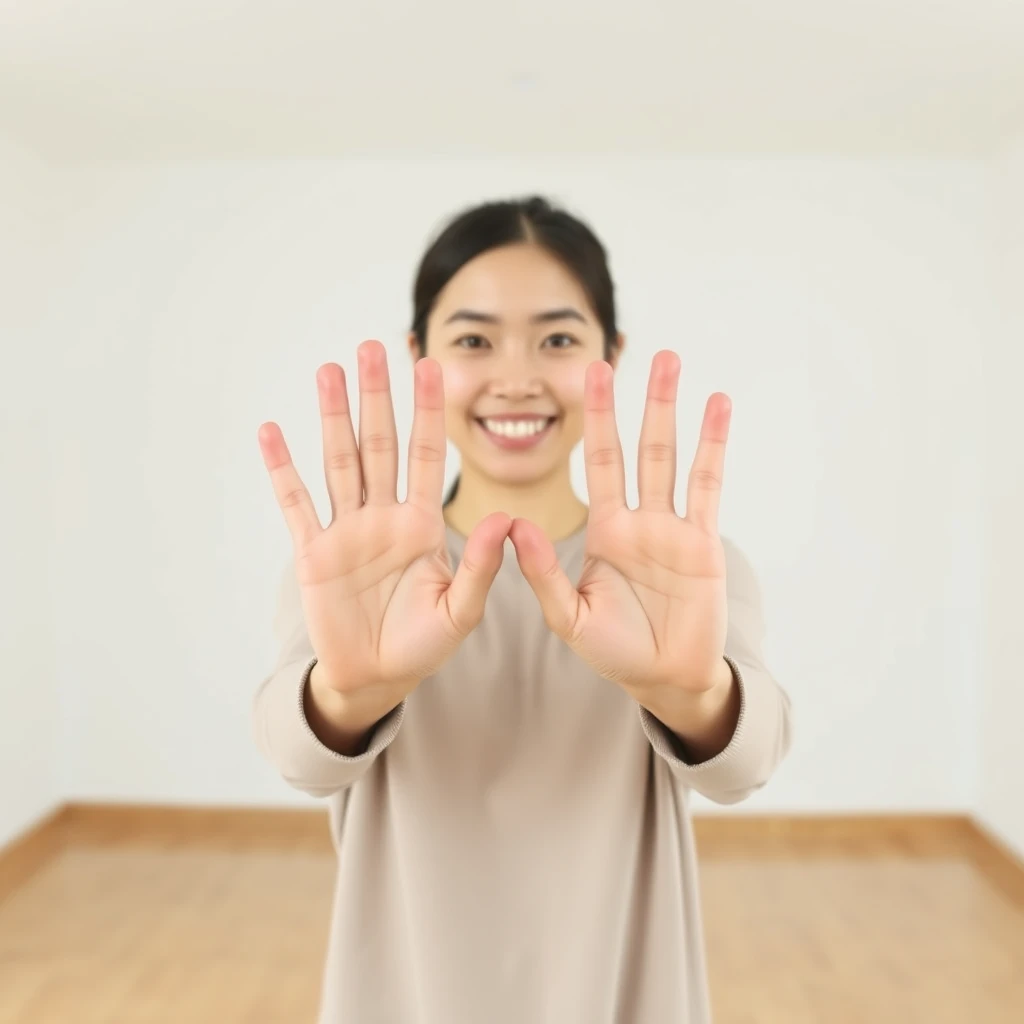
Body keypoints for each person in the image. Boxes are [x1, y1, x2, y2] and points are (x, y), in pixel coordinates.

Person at [252, 196, 792, 1023]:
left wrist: (694, 694)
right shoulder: (360, 578)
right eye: (472, 339)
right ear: (417, 354)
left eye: (558, 338)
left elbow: (747, 760)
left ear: (611, 355)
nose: (516, 376)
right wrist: (346, 695)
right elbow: (301, 756)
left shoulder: (689, 574)